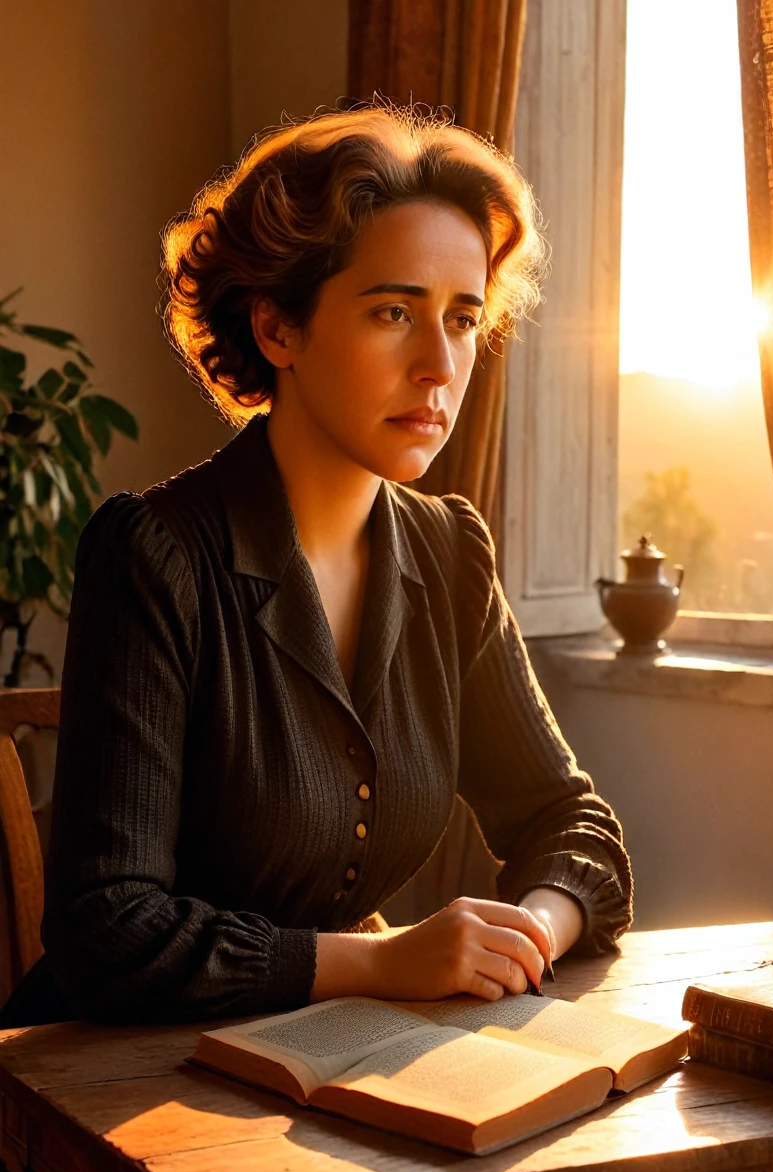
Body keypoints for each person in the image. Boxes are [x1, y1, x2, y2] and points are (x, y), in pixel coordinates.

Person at [1, 101, 633, 1028]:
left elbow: (575, 831)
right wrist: (381, 962)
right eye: (393, 312)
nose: (440, 365)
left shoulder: (451, 554)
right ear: (277, 329)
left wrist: (526, 934)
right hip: (108, 1080)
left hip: (331, 1056)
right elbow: (110, 932)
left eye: (463, 320)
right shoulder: (155, 554)